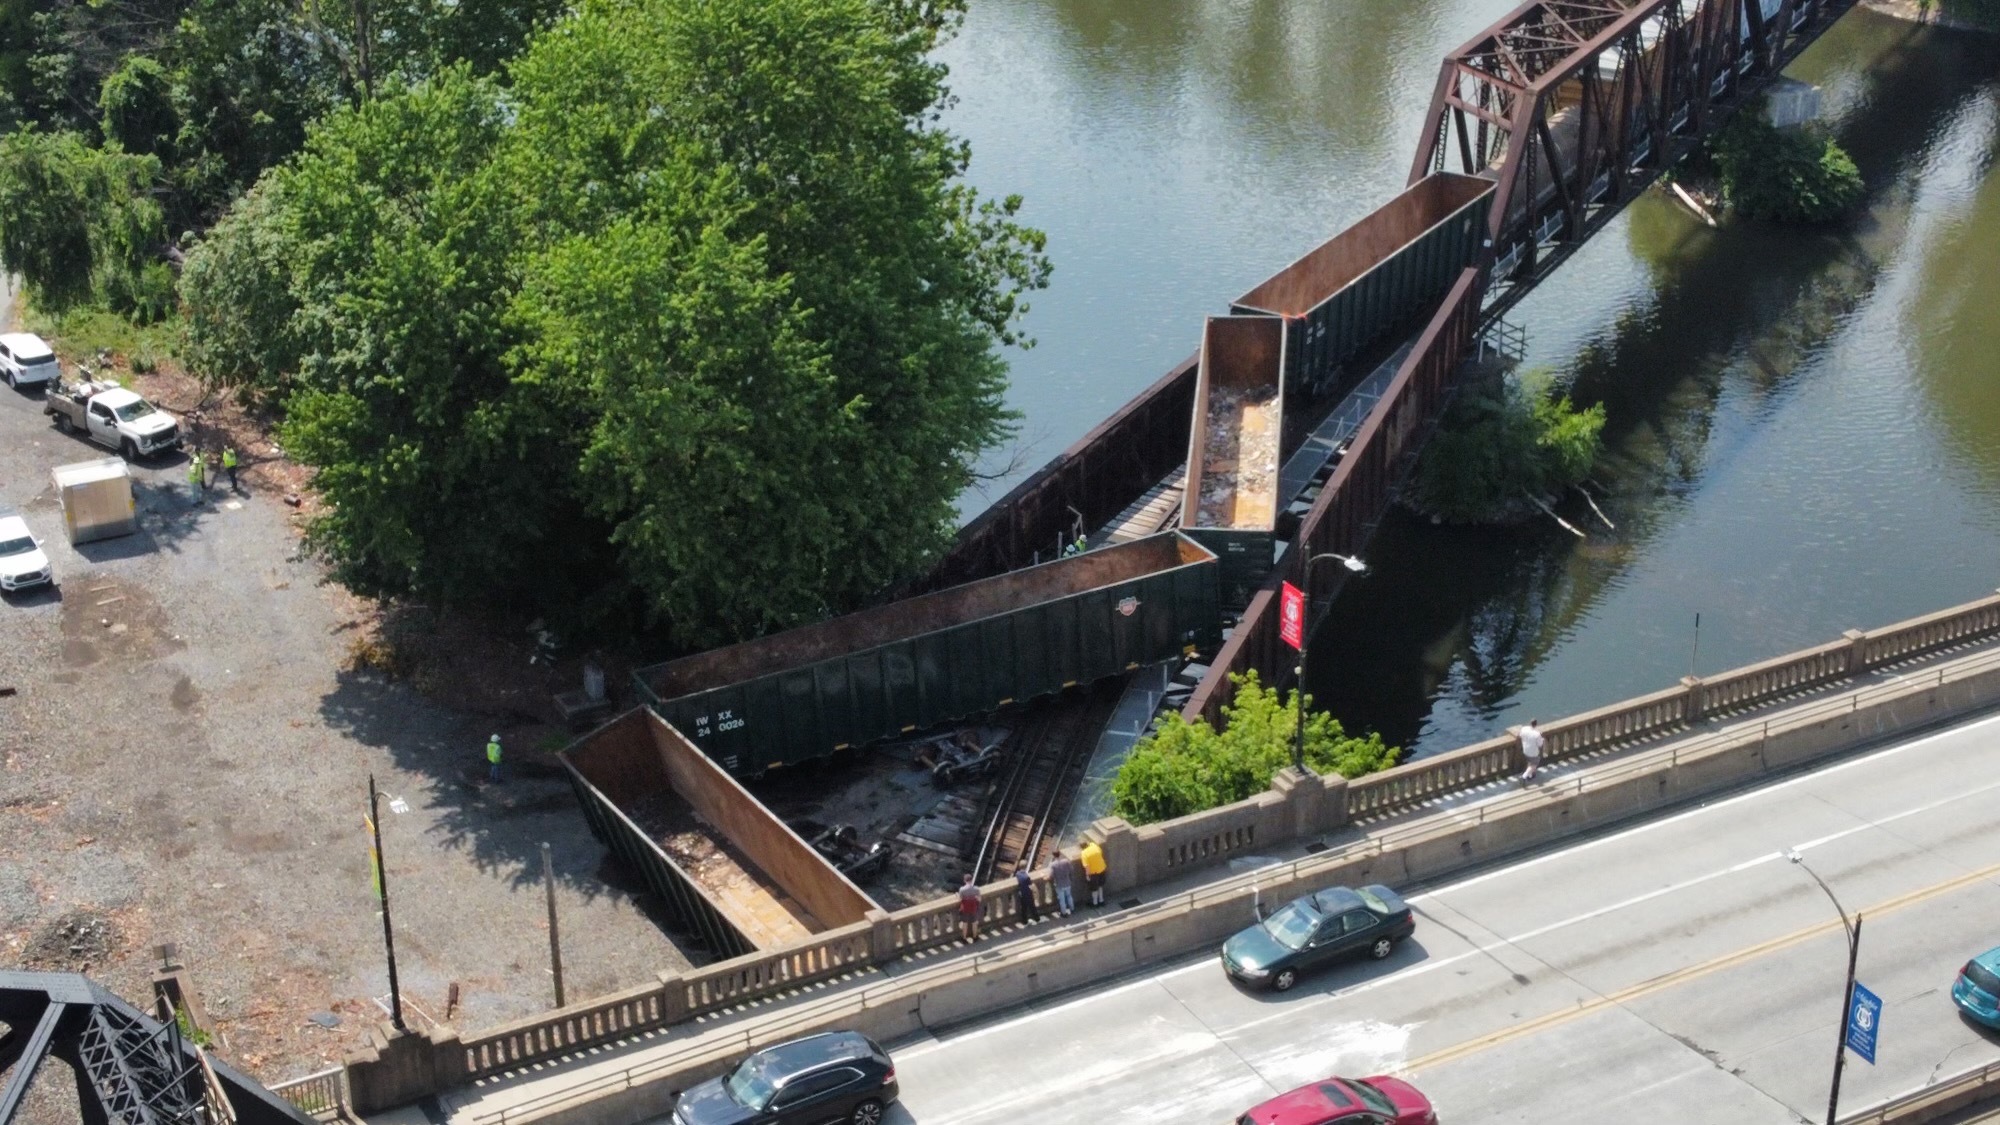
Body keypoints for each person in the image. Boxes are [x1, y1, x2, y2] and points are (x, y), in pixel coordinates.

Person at [1079, 839, 1107, 907]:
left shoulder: (1084, 853)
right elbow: (1100, 852)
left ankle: (1095, 903)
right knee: (1100, 886)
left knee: (1094, 888)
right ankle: (1101, 900)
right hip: (1102, 868)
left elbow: (1087, 867)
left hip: (1094, 873)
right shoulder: (1094, 845)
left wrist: (1087, 875)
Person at [1050, 849, 1077, 917]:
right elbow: (1072, 870)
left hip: (1059, 884)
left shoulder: (1053, 865)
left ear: (1053, 856)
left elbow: (1051, 876)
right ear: (1060, 854)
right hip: (1067, 882)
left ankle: (1064, 913)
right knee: (1069, 896)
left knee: (1062, 899)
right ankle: (1072, 909)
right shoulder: (1066, 861)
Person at [957, 874, 981, 941]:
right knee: (974, 923)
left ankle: (964, 938)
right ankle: (975, 937)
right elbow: (979, 900)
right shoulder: (976, 889)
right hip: (973, 908)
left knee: (965, 923)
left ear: (964, 880)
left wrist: (957, 896)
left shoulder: (962, 889)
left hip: (965, 909)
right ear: (971, 880)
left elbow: (959, 899)